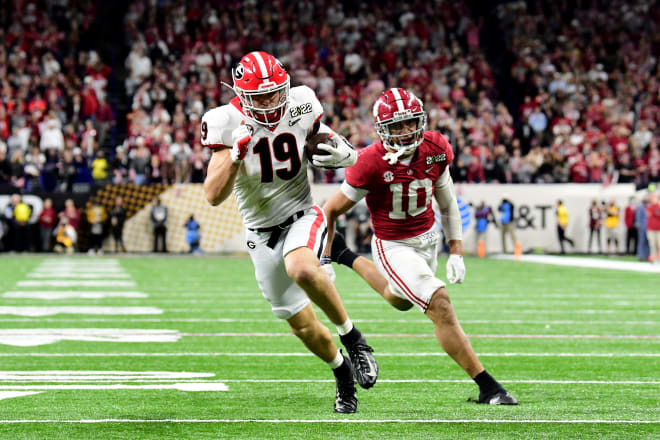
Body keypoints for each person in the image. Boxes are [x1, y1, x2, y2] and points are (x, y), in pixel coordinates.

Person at [202, 51, 377, 413]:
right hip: (259, 233)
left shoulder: (301, 102)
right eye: (260, 97)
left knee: (301, 267)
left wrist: (345, 152)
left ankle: (355, 339)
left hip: (302, 213)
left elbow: (325, 141)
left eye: (275, 92)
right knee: (303, 327)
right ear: (241, 95)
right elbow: (213, 196)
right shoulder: (224, 121)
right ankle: (342, 372)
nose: (270, 102)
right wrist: (236, 155)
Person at [323, 88, 517, 405]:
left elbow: (447, 201)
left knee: (400, 300)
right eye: (396, 126)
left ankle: (349, 256)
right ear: (382, 128)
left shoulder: (436, 148)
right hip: (393, 245)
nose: (405, 131)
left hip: (429, 239)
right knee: (439, 303)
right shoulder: (369, 162)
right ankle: (488, 387)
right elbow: (330, 210)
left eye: (410, 123)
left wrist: (455, 251)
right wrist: (324, 257)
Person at [646, 192, 660, 263]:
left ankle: (658, 258)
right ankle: (654, 259)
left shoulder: (658, 206)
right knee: (652, 245)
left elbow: (657, 214)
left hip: (659, 229)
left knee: (659, 244)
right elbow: (651, 213)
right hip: (651, 229)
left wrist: (655, 213)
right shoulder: (649, 206)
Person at [635, 196, 650, 261]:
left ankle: (647, 256)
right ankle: (641, 255)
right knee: (641, 242)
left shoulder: (649, 207)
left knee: (648, 242)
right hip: (642, 228)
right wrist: (639, 226)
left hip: (648, 228)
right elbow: (638, 218)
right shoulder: (641, 208)